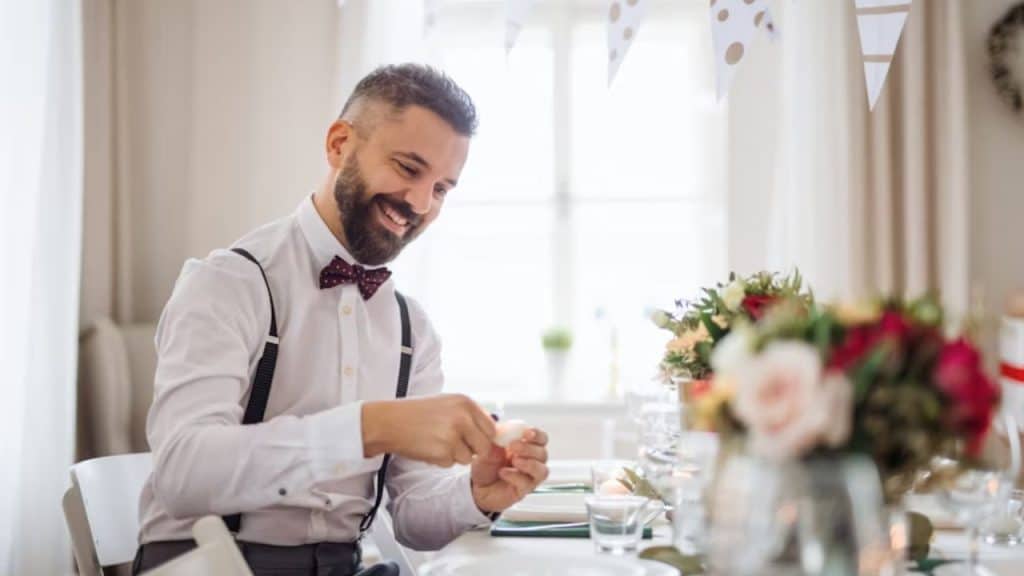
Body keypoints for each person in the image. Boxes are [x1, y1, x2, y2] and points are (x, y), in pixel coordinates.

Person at [132, 63, 550, 576]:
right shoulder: (229, 283)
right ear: (339, 144)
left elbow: (412, 516)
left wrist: (476, 495)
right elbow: (183, 474)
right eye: (408, 168)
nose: (420, 203)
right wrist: (370, 427)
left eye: (442, 189)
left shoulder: (412, 331)